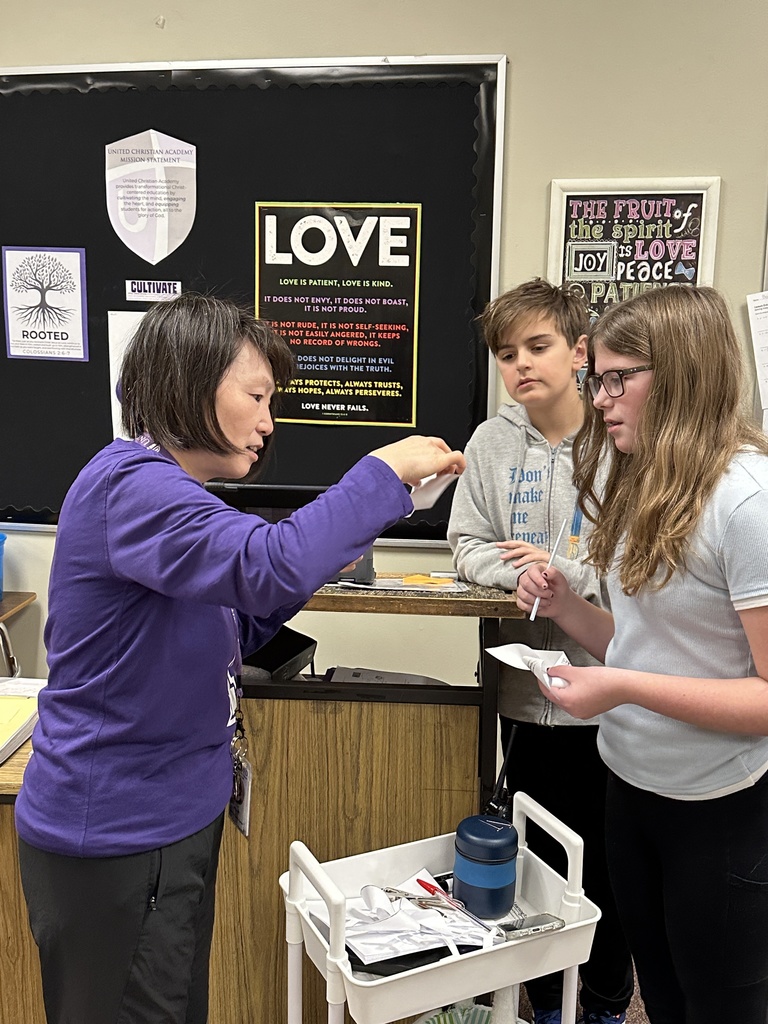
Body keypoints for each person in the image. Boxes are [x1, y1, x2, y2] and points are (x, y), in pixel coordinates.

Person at [14, 292, 466, 1024]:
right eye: (257, 395)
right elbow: (270, 566)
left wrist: (381, 513)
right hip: (120, 837)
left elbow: (242, 617)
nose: (267, 421)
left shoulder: (174, 496)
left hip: (171, 823)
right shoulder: (132, 486)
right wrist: (380, 473)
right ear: (192, 384)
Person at [516, 284, 768, 1024]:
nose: (599, 398)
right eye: (599, 378)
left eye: (618, 377)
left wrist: (621, 686)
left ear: (684, 375)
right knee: (657, 997)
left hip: (718, 812)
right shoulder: (641, 481)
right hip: (630, 791)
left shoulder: (745, 503)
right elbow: (638, 646)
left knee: (718, 1007)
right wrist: (566, 608)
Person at [448, 278, 633, 1024]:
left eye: (538, 346)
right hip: (523, 699)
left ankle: (608, 1004)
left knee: (609, 875)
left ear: (580, 352)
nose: (520, 364)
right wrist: (515, 571)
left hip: (610, 699)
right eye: (505, 353)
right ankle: (545, 1005)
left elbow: (646, 564)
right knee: (535, 869)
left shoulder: (624, 435)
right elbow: (465, 546)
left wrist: (571, 576)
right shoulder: (491, 443)